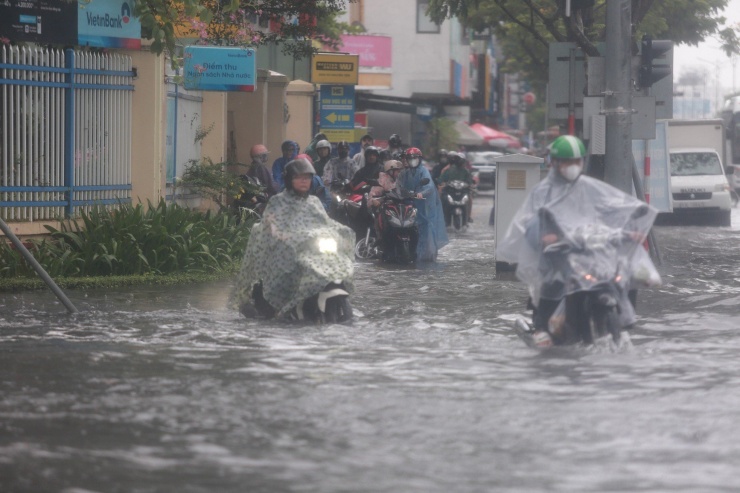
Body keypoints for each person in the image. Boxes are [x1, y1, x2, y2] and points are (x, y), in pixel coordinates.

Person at [496, 135, 660, 343]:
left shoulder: (590, 188)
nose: (571, 166)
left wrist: (628, 230)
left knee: (621, 274)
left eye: (576, 161)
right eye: (566, 162)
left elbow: (612, 209)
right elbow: (530, 220)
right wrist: (544, 236)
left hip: (588, 251)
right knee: (553, 280)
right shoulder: (543, 192)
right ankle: (542, 327)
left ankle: (623, 320)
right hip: (557, 252)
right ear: (555, 163)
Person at [231, 158, 355, 319]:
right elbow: (271, 223)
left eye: (308, 177)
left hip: (312, 250)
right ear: (290, 179)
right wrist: (281, 234)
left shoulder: (314, 202)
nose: (304, 181)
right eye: (299, 177)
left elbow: (326, 223)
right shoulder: (278, 201)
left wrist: (341, 232)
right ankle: (283, 304)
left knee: (335, 261)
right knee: (288, 266)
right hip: (286, 250)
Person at [396, 147, 449, 261]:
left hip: (422, 205)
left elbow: (429, 186)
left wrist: (420, 193)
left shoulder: (423, 171)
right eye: (410, 158)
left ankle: (426, 254)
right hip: (407, 203)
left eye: (415, 158)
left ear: (419, 159)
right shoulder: (404, 173)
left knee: (425, 226)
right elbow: (399, 186)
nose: (412, 161)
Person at [438, 151, 475, 223]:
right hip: (450, 191)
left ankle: (468, 217)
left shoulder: (465, 171)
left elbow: (470, 181)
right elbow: (441, 179)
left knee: (469, 198)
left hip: (462, 192)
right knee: (443, 198)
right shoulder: (448, 170)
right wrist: (443, 184)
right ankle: (442, 216)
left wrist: (470, 185)